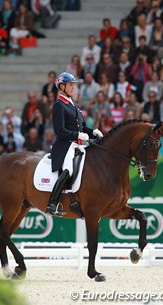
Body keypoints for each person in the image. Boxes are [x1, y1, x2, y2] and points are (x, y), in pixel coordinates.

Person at [45, 72, 103, 216]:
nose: (73, 88)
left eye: (73, 85)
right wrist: (77, 135)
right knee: (69, 170)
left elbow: (83, 127)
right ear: (62, 86)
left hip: (78, 145)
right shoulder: (59, 105)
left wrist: (93, 131)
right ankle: (52, 203)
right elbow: (59, 130)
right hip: (65, 146)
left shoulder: (74, 105)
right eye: (70, 85)